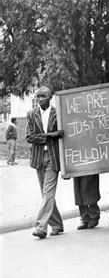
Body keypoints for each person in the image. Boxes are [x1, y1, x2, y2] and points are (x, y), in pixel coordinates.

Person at [26, 86, 64, 239]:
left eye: (43, 96)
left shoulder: (58, 113)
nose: (40, 99)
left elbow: (64, 134)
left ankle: (41, 227)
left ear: (50, 97)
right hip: (38, 158)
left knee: (47, 192)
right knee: (46, 194)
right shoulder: (31, 114)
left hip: (53, 157)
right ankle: (57, 224)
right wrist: (50, 135)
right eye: (38, 96)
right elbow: (29, 136)